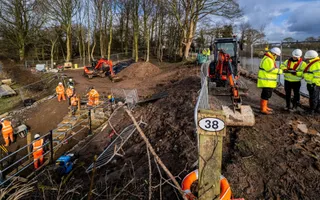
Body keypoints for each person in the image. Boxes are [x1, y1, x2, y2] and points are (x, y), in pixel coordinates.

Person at [257, 47, 283, 114]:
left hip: (267, 81)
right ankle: (263, 109)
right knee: (266, 95)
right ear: (274, 54)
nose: (277, 57)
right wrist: (280, 71)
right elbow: (271, 69)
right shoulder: (268, 59)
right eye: (277, 55)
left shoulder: (268, 58)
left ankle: (265, 107)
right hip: (267, 81)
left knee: (267, 95)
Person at [303, 50, 320, 114]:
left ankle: (311, 111)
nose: (306, 59)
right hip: (312, 83)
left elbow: (318, 76)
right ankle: (317, 110)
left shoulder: (316, 64)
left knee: (313, 98)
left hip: (314, 84)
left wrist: (313, 83)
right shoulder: (313, 63)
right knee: (315, 97)